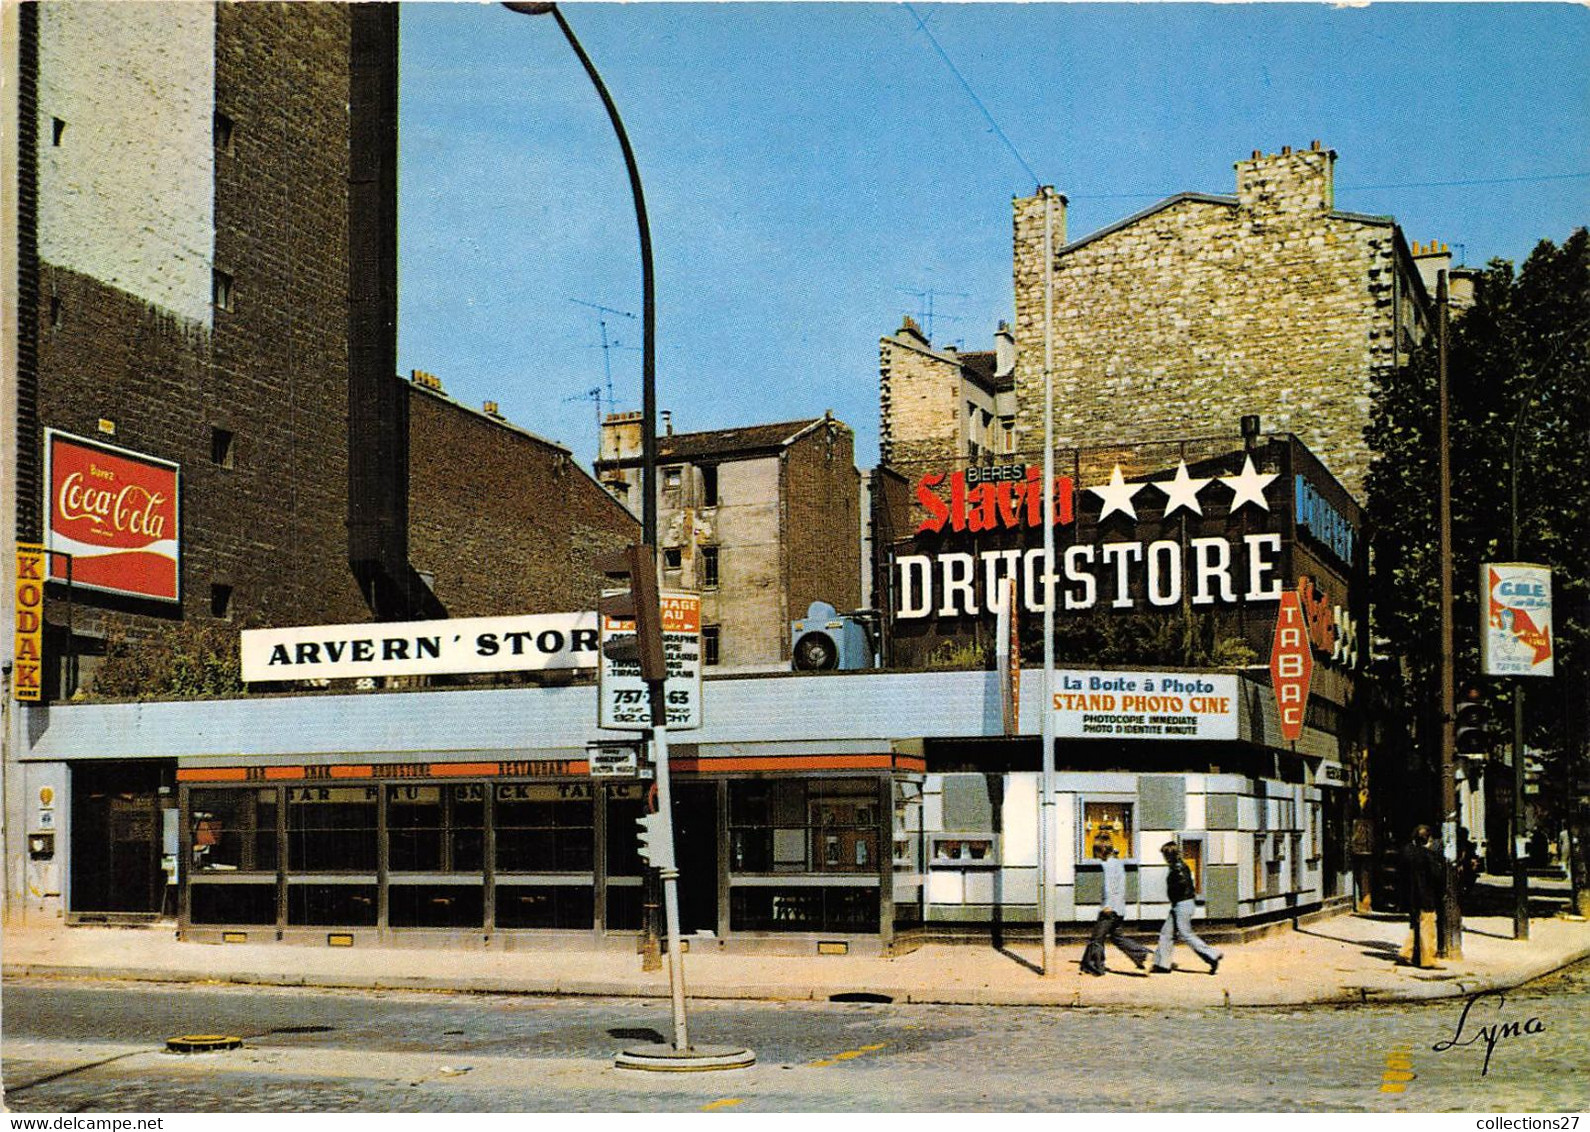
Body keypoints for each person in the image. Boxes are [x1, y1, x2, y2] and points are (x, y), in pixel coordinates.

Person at [1151, 840, 1222, 975]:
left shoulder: (1177, 869)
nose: (1164, 858)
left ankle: (1212, 955)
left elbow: (1180, 886)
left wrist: (1174, 895)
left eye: (1165, 855)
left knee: (1186, 934)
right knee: (1166, 933)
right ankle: (1162, 965)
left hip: (1182, 904)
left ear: (1169, 855)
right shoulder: (1181, 866)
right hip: (1181, 904)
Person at [1080, 839, 1149, 975]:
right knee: (1117, 937)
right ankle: (1141, 954)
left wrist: (1107, 905)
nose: (1096, 856)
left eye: (1096, 852)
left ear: (1101, 852)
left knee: (1097, 938)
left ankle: (1095, 966)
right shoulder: (1118, 863)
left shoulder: (1108, 865)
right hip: (1119, 908)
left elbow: (1108, 887)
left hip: (1110, 909)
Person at [1398, 824, 1444, 968]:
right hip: (1426, 896)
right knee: (1427, 926)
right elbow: (1437, 876)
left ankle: (1406, 952)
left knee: (1415, 925)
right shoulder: (1428, 855)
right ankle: (1428, 959)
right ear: (1428, 839)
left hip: (1410, 895)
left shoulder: (1406, 852)